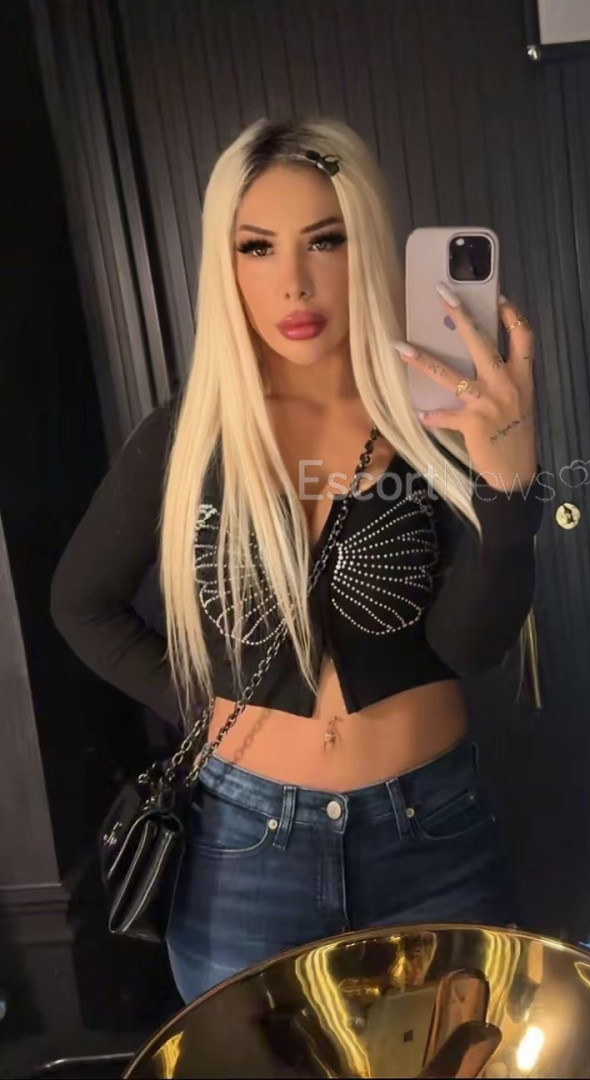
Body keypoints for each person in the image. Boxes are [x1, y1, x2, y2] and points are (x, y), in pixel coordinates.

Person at [50, 117, 544, 1005]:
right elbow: (81, 603)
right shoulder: (187, 440)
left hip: (429, 834)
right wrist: (210, 700)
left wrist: (509, 488)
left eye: (325, 239)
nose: (294, 282)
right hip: (245, 852)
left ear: (367, 246)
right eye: (257, 247)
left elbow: (471, 648)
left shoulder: (438, 423)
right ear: (225, 264)